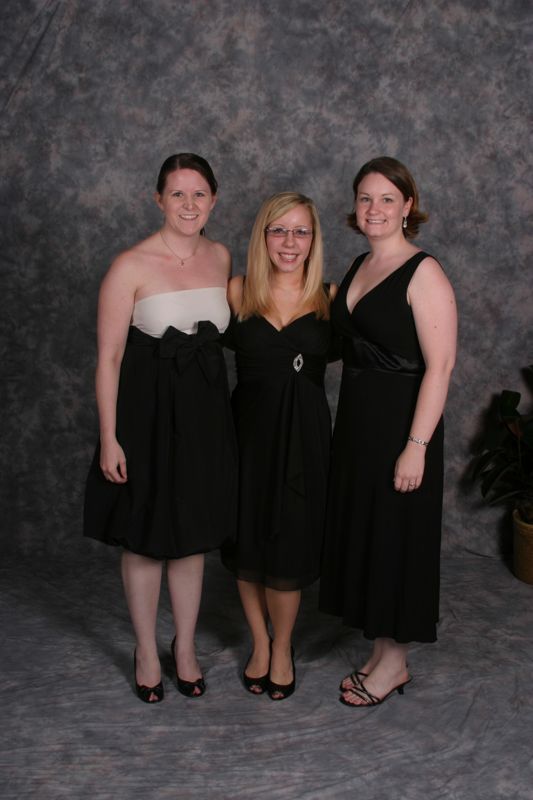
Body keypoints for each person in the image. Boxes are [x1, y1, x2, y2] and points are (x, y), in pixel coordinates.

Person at [84, 153, 237, 703]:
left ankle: (187, 646)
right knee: (147, 539)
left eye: (199, 194)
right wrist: (109, 436)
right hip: (144, 419)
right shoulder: (130, 265)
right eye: (177, 194)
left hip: (205, 419)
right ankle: (147, 649)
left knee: (192, 539)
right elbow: (108, 359)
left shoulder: (221, 257)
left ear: (214, 200)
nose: (189, 205)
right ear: (158, 200)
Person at [319, 157, 457, 707]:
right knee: (372, 533)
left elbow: (440, 367)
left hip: (404, 426)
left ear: (407, 207)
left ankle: (395, 665)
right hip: (358, 425)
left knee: (398, 537)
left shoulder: (425, 272)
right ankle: (382, 650)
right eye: (364, 198)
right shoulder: (359, 265)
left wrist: (416, 447)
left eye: (386, 199)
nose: (374, 209)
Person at [221, 192, 337, 700]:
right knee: (248, 541)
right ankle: (260, 642)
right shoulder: (237, 292)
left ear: (313, 240)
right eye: (279, 230)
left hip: (305, 441)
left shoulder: (332, 298)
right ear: (262, 236)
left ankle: (284, 644)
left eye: (301, 232)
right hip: (246, 436)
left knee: (288, 547)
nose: (290, 242)